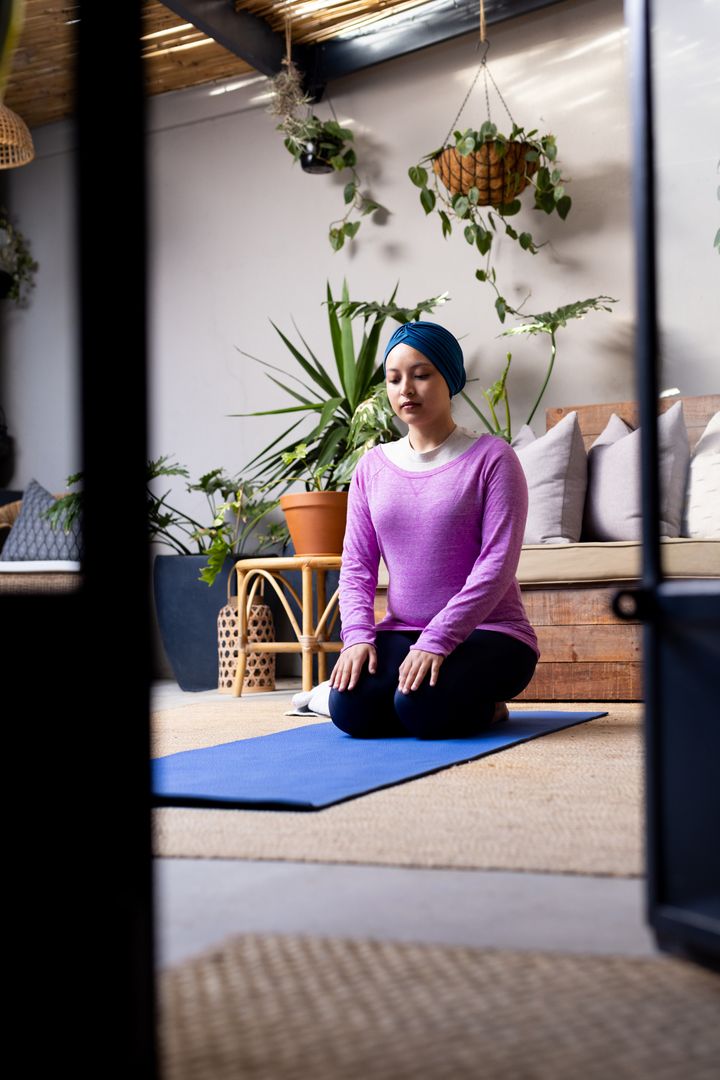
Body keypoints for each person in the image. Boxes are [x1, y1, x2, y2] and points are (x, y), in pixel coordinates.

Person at [328, 320, 539, 740]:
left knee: (423, 710)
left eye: (421, 375)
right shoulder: (372, 467)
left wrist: (438, 639)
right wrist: (356, 636)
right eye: (394, 379)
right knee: (350, 709)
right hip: (404, 630)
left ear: (450, 379)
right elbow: (356, 565)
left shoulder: (493, 458)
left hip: (491, 632)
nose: (406, 389)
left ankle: (491, 707)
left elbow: (497, 565)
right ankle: (422, 698)